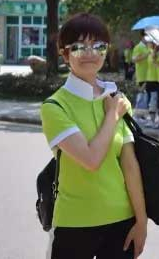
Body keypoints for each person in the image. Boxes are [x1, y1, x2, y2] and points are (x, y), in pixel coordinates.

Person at [40, 13, 147, 259]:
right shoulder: (55, 107)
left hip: (122, 222)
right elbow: (90, 160)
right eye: (79, 47)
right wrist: (113, 116)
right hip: (74, 224)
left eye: (98, 46)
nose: (90, 53)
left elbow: (130, 165)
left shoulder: (116, 98)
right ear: (65, 54)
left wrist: (141, 221)